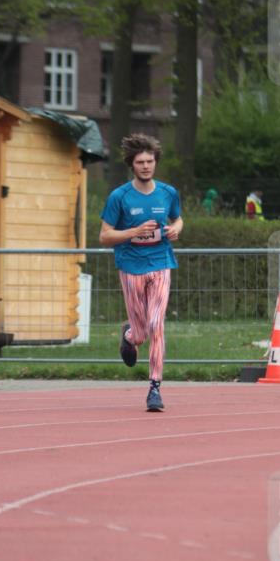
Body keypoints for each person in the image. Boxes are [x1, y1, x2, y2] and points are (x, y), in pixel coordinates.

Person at [99, 133, 183, 412]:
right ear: (131, 165)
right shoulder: (119, 197)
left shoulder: (168, 192)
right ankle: (128, 337)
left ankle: (154, 389)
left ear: (155, 162)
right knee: (140, 333)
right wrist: (134, 232)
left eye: (150, 161)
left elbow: (177, 217)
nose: (146, 166)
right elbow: (104, 236)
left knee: (156, 324)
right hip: (131, 266)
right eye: (140, 162)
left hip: (160, 263)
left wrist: (177, 228)